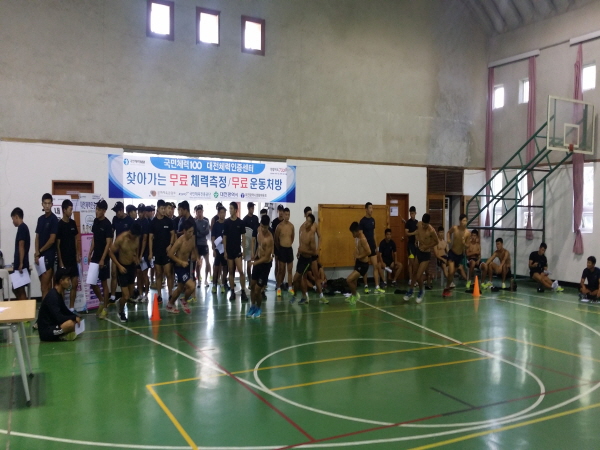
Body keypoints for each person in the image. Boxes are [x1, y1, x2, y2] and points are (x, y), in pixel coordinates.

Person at [37, 268, 82, 341]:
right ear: (61, 281)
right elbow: (59, 318)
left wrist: (76, 317)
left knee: (73, 322)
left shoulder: (58, 294)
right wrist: (74, 317)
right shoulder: (53, 296)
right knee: (70, 324)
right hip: (46, 332)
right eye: (68, 280)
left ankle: (63, 334)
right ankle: (61, 336)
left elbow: (65, 311)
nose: (69, 282)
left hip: (53, 325)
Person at [109, 223, 141, 322]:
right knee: (126, 296)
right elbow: (110, 252)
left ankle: (120, 301)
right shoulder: (121, 239)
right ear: (130, 233)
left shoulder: (137, 238)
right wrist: (119, 266)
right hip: (122, 268)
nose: (135, 238)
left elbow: (136, 248)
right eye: (133, 236)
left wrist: (136, 257)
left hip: (132, 267)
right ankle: (121, 311)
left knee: (130, 294)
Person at [404, 214, 438, 303]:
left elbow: (436, 242)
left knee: (419, 276)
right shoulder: (419, 224)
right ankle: (411, 291)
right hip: (419, 252)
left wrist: (427, 246)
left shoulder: (431, 231)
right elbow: (417, 231)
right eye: (423, 224)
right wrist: (416, 239)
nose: (423, 226)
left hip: (426, 255)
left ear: (428, 223)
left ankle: (421, 291)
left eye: (425, 225)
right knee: (414, 272)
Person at [89, 200, 113, 319]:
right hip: (95, 256)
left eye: (99, 209)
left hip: (104, 257)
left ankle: (105, 308)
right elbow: (94, 238)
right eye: (96, 209)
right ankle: (101, 301)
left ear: (104, 211)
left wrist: (103, 259)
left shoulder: (108, 224)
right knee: (92, 282)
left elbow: (108, 243)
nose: (96, 211)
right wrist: (90, 252)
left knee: (104, 283)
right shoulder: (95, 221)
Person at [167, 220, 197, 314]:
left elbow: (193, 248)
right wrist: (181, 262)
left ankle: (170, 305)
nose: (191, 234)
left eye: (192, 231)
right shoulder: (180, 241)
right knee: (192, 286)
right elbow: (170, 254)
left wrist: (196, 256)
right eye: (189, 232)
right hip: (179, 267)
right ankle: (184, 301)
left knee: (180, 289)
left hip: (186, 266)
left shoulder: (192, 238)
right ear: (184, 231)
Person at [247, 215, 273, 319]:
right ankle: (252, 306)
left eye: (265, 228)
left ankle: (258, 308)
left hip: (265, 265)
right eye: (262, 226)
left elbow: (266, 258)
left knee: (258, 289)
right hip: (258, 260)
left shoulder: (270, 239)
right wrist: (254, 254)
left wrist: (254, 263)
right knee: (252, 286)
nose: (263, 229)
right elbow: (259, 245)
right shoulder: (258, 231)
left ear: (268, 226)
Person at [149, 200, 176, 304]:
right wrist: (151, 252)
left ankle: (170, 294)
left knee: (168, 273)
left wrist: (170, 245)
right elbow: (150, 238)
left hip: (167, 253)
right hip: (157, 252)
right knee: (158, 274)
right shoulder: (153, 222)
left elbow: (173, 234)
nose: (164, 210)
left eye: (165, 208)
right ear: (158, 209)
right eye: (162, 208)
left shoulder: (168, 221)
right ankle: (159, 295)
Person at [56, 199, 81, 312]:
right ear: (64, 210)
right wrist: (60, 261)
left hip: (73, 259)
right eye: (70, 209)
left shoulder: (73, 223)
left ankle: (71, 308)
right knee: (62, 286)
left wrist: (77, 253)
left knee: (74, 284)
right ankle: (62, 309)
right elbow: (58, 245)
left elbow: (76, 239)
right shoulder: (59, 225)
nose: (71, 211)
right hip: (64, 260)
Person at [35, 193, 59, 301]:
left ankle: (44, 309)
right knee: (46, 286)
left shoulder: (54, 219)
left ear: (52, 204)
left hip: (48, 257)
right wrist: (37, 253)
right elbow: (37, 238)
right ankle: (49, 308)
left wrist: (40, 251)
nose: (47, 206)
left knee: (44, 287)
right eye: (45, 203)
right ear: (42, 204)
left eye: (49, 203)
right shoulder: (40, 219)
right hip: (39, 257)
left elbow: (52, 240)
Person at [291, 214, 319, 305]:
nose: (306, 223)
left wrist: (303, 250)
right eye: (306, 220)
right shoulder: (302, 229)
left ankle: (299, 296)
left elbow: (313, 252)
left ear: (312, 224)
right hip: (301, 258)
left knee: (297, 278)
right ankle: (301, 296)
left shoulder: (311, 236)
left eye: (309, 222)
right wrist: (299, 251)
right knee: (298, 279)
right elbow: (301, 244)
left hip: (307, 260)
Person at [109, 201, 134, 303]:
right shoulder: (115, 219)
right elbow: (111, 232)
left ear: (122, 210)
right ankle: (113, 296)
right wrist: (111, 244)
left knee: (126, 274)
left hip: (126, 252)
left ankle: (127, 296)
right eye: (115, 212)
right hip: (116, 250)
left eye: (117, 211)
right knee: (114, 273)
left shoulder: (130, 221)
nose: (116, 214)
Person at [223, 202, 248, 302]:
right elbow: (224, 237)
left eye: (232, 208)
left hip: (237, 251)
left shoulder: (240, 222)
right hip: (229, 251)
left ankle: (243, 291)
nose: (230, 210)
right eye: (229, 208)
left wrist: (244, 250)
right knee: (231, 271)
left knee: (241, 271)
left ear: (236, 210)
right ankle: (232, 292)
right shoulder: (226, 222)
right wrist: (225, 251)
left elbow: (244, 237)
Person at [443, 214, 470, 297]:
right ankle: (447, 287)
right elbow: (448, 232)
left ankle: (447, 288)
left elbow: (468, 246)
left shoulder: (467, 233)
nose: (464, 222)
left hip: (460, 255)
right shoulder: (455, 228)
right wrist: (448, 239)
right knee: (451, 271)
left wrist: (464, 243)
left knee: (452, 274)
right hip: (452, 253)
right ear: (460, 221)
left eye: (466, 221)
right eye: (463, 221)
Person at [360, 202, 384, 294]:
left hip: (372, 246)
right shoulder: (362, 221)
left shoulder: (373, 220)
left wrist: (376, 246)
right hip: (365, 248)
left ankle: (377, 286)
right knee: (365, 267)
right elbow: (361, 235)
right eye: (370, 208)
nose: (371, 210)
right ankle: (366, 285)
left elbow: (374, 234)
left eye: (372, 208)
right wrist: (362, 247)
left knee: (375, 266)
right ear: (366, 209)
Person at [346, 222, 371, 305]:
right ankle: (353, 296)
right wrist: (356, 255)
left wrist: (359, 256)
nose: (352, 235)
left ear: (356, 232)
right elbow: (358, 248)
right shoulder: (357, 237)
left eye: (352, 233)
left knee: (349, 280)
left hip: (363, 265)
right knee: (354, 280)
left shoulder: (362, 239)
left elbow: (369, 251)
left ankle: (355, 295)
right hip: (358, 262)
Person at [11, 207, 31, 300]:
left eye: (13, 219)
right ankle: (21, 305)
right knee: (15, 288)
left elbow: (21, 245)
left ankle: (25, 307)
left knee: (20, 289)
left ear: (16, 217)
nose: (12, 221)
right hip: (20, 262)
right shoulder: (22, 228)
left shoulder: (22, 228)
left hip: (21, 264)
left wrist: (21, 263)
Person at [275, 207, 295, 297]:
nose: (287, 216)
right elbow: (276, 239)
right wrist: (280, 248)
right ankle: (278, 287)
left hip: (289, 249)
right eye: (286, 214)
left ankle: (290, 287)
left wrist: (288, 244)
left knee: (290, 270)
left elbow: (292, 238)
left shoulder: (291, 226)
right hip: (282, 249)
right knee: (281, 270)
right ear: (283, 215)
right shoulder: (279, 226)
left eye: (288, 215)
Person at [134, 204, 150, 303]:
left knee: (144, 275)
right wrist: (136, 254)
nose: (140, 213)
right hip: (137, 252)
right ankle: (140, 294)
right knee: (138, 274)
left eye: (141, 211)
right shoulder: (136, 222)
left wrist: (141, 255)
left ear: (144, 212)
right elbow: (135, 238)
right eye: (138, 211)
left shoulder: (146, 223)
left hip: (145, 253)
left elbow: (144, 239)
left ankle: (146, 295)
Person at [211, 206, 227, 293]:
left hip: (225, 249)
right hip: (217, 248)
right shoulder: (215, 225)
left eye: (224, 212)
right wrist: (213, 249)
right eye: (221, 212)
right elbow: (213, 237)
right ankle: (214, 285)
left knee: (225, 267)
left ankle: (223, 285)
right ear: (218, 214)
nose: (222, 214)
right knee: (216, 268)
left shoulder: (227, 224)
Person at [194, 204, 211, 285]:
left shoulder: (206, 222)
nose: (199, 213)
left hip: (204, 244)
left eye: (200, 212)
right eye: (198, 212)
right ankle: (199, 280)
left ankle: (206, 279)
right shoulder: (195, 223)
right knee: (198, 263)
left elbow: (207, 232)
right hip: (197, 245)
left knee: (207, 262)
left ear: (202, 212)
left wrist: (200, 233)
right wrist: (201, 233)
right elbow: (195, 234)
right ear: (196, 213)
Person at [242, 202, 259, 283]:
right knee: (249, 263)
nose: (253, 210)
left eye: (253, 208)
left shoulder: (256, 218)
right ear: (248, 209)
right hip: (248, 245)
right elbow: (243, 233)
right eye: (252, 208)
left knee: (256, 262)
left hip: (256, 243)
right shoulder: (245, 219)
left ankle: (255, 280)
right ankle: (250, 280)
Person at [405, 206, 418, 287]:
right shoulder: (408, 223)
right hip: (410, 245)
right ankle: (410, 279)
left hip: (415, 245)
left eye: (413, 213)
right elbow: (406, 233)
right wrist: (413, 233)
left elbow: (418, 233)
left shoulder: (417, 223)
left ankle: (415, 279)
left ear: (415, 213)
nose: (411, 215)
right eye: (410, 213)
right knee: (411, 263)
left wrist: (417, 240)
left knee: (416, 263)